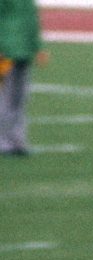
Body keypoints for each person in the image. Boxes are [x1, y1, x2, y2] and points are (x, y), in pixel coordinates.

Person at [0, 0, 43, 156]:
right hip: (7, 52)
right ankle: (4, 141)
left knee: (19, 98)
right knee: (7, 97)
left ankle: (17, 141)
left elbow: (33, 22)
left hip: (22, 52)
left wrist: (38, 48)